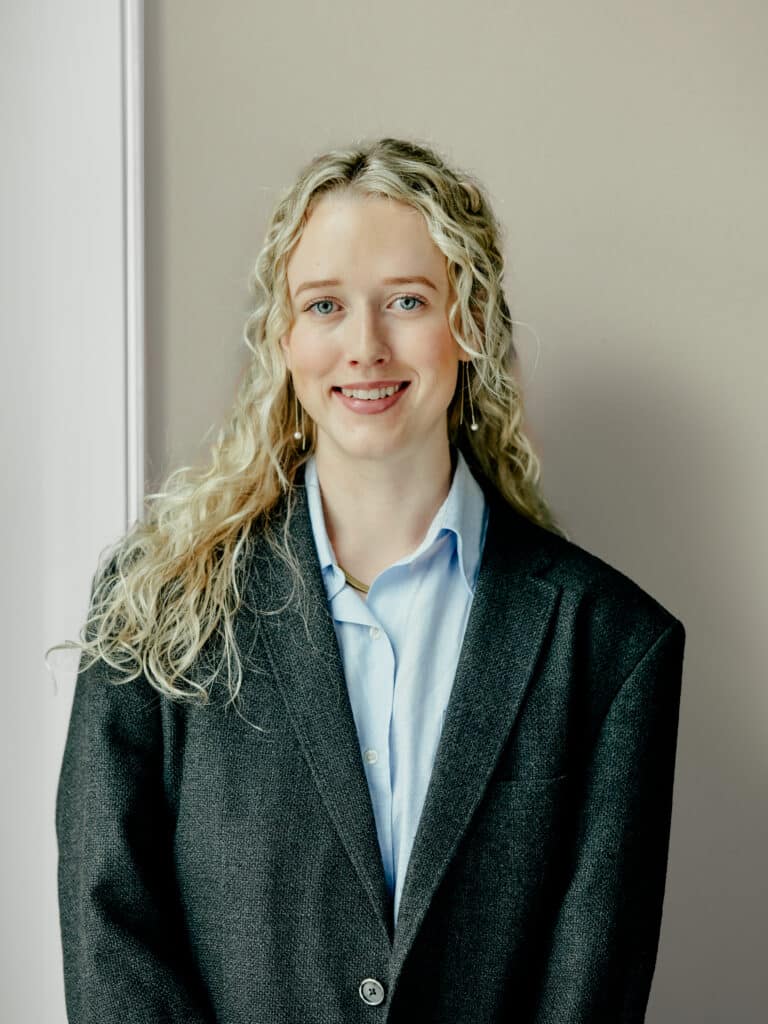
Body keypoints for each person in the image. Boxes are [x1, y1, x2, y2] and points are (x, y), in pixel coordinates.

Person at [51, 137, 686, 1023]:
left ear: (470, 324)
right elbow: (109, 935)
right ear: (282, 336)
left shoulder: (613, 645)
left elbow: (589, 988)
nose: (365, 346)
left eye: (406, 301)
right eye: (324, 306)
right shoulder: (154, 602)